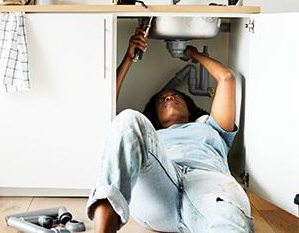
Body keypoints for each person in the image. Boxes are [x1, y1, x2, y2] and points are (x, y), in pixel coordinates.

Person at [86, 28, 254, 233]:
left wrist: (193, 54)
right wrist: (128, 59)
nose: (169, 98)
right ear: (155, 115)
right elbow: (107, 110)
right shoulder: (151, 136)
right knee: (128, 118)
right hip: (157, 186)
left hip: (209, 183)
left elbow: (226, 78)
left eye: (175, 95)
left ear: (189, 105)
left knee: (231, 221)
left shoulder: (210, 127)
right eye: (161, 99)